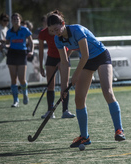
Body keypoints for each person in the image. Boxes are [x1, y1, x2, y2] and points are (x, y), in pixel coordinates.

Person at [47, 9, 126, 148]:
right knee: (79, 98)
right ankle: (84, 137)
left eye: (57, 28)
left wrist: (76, 75)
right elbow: (64, 63)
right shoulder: (57, 39)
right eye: (53, 30)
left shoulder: (77, 30)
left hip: (101, 56)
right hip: (87, 61)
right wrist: (64, 87)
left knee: (107, 92)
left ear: (63, 24)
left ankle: (119, 130)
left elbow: (85, 55)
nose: (56, 32)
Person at [38, 21, 75, 119]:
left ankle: (65, 111)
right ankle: (50, 111)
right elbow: (41, 49)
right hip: (51, 58)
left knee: (65, 85)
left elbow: (72, 46)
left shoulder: (63, 30)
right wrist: (40, 66)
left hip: (65, 57)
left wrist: (63, 59)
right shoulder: (43, 33)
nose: (54, 31)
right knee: (50, 86)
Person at [4, 13, 33, 108]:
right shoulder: (9, 32)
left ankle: (25, 94)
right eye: (14, 19)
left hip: (22, 54)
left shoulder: (25, 30)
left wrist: (31, 51)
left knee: (22, 79)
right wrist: (4, 46)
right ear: (11, 21)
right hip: (12, 54)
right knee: (13, 79)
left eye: (17, 19)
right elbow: (8, 44)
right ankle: (15, 100)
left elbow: (31, 41)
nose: (16, 21)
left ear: (20, 20)